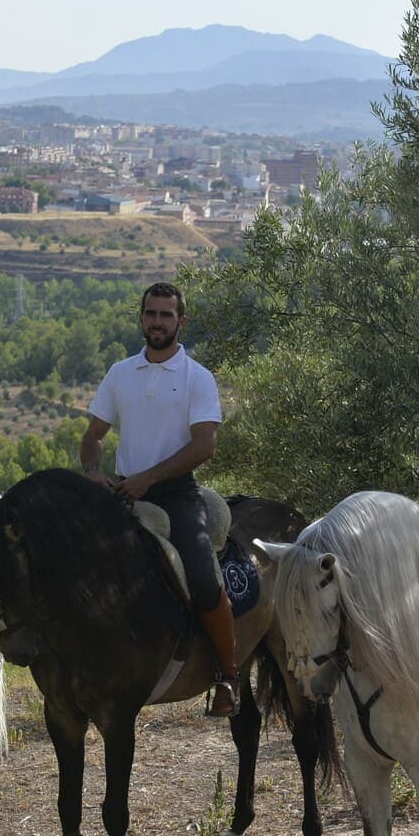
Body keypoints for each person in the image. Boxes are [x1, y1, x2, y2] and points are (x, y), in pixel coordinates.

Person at [79, 282, 238, 716]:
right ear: (142, 318)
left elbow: (205, 445)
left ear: (180, 322)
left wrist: (148, 478)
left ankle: (228, 674)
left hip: (176, 494)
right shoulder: (120, 373)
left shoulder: (197, 378)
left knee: (205, 580)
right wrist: (93, 472)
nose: (157, 322)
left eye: (166, 315)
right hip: (123, 491)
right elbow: (93, 434)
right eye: (151, 314)